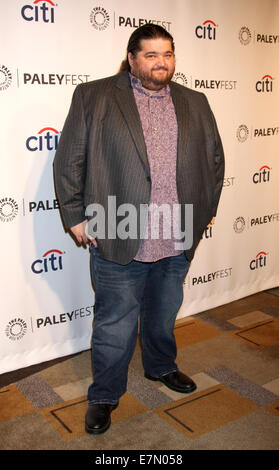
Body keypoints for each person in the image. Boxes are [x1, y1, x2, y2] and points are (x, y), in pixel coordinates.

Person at [53, 24, 224, 435]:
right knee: (115, 322)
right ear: (131, 59)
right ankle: (105, 395)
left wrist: (206, 211)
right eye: (150, 55)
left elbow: (214, 160)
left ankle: (162, 367)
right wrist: (75, 214)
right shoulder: (94, 96)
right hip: (118, 227)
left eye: (167, 54)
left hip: (178, 231)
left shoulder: (195, 101)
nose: (160, 62)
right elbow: (69, 159)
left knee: (164, 314)